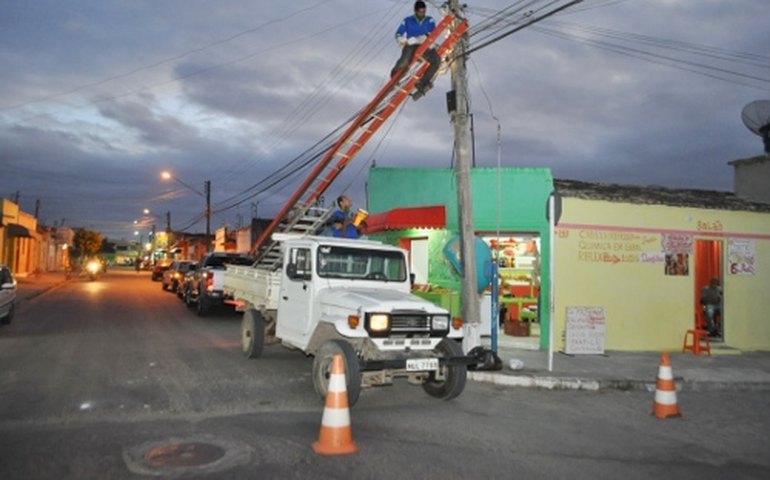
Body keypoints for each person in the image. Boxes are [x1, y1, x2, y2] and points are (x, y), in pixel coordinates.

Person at [391, 1, 441, 100]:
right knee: (405, 62)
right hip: (411, 45)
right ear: (415, 11)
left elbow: (433, 33)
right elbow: (398, 34)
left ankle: (422, 83)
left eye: (424, 11)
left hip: (424, 45)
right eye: (420, 12)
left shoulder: (430, 20)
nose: (422, 14)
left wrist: (422, 38)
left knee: (436, 60)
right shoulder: (408, 20)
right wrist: (404, 40)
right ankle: (394, 75)